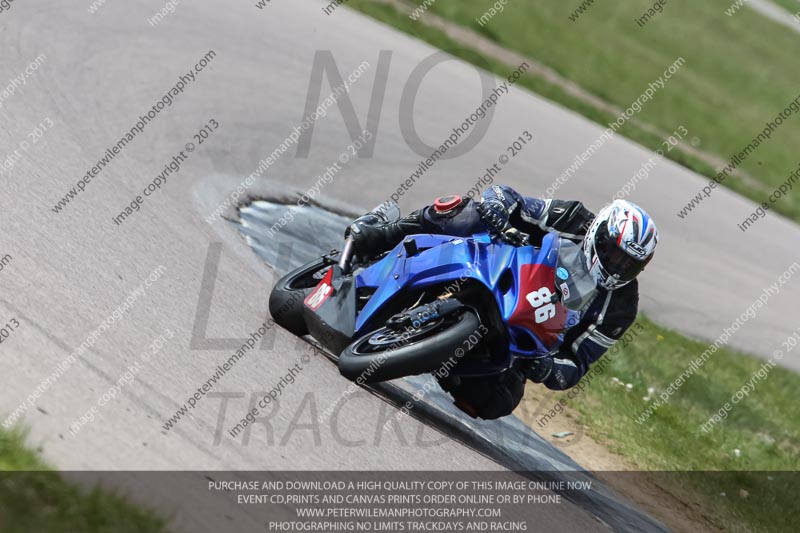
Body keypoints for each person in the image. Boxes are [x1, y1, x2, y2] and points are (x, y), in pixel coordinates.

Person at [346, 185, 659, 419]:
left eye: (629, 265)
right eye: (614, 254)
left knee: (499, 400)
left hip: (521, 338)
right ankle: (382, 234)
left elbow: (577, 363)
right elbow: (508, 197)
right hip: (501, 269)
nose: (618, 267)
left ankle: (445, 361)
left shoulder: (621, 307)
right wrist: (497, 208)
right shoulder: (572, 218)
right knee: (464, 212)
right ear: (598, 234)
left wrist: (547, 368)